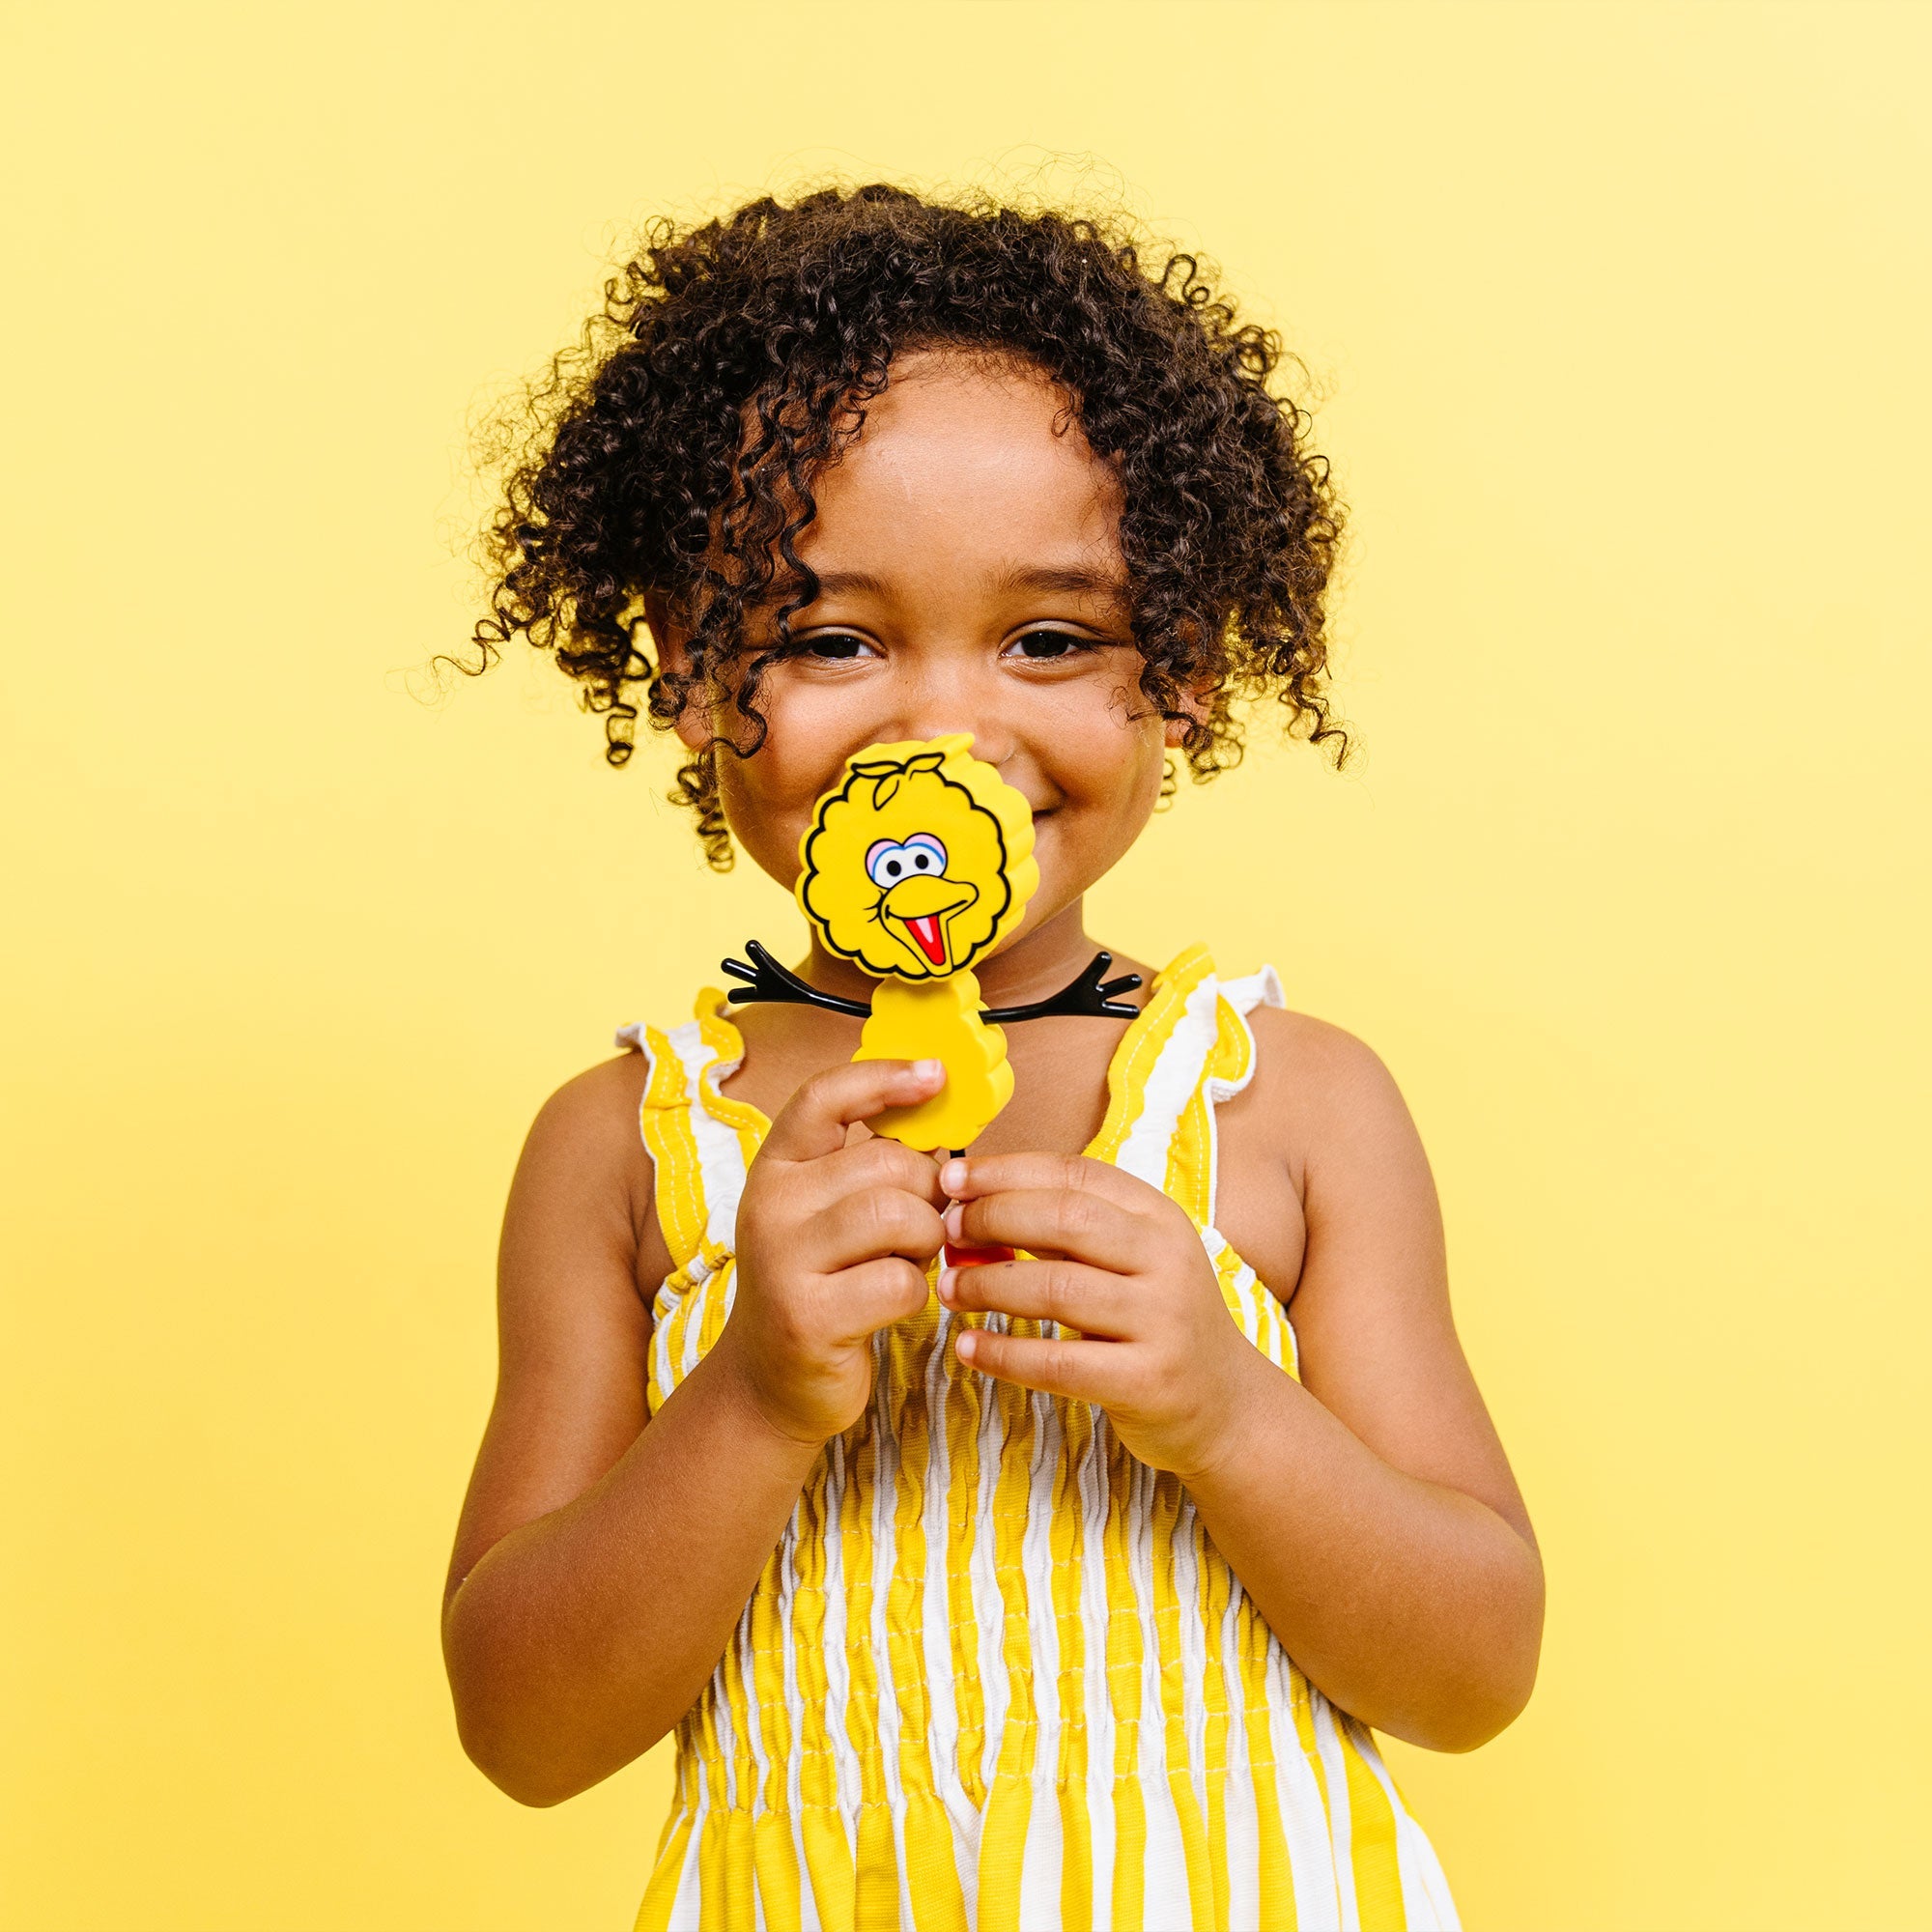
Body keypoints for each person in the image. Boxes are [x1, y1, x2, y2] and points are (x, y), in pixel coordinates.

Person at [440, 185, 1543, 1932]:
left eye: (1049, 639)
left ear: (1174, 673)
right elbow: (525, 1724)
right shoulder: (630, 1147)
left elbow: (1472, 1670)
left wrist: (1227, 1408)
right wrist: (750, 1397)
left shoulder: (1291, 1106)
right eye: (828, 640)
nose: (945, 729)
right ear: (686, 670)